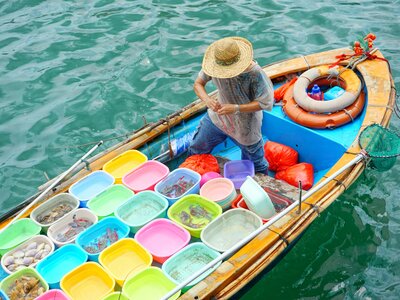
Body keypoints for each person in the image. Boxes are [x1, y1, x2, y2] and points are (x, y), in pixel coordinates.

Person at [187, 36, 274, 173]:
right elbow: (198, 84)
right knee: (197, 148)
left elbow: (265, 102)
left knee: (256, 166)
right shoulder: (214, 65)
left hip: (246, 124)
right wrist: (208, 100)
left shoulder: (255, 73)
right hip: (218, 117)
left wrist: (236, 108)